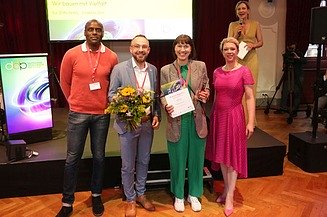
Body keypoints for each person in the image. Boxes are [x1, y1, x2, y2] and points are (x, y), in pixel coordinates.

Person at [56, 19, 118, 217]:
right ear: (84, 32)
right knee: (72, 158)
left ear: (102, 33)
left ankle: (96, 195)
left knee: (99, 157)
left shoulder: (111, 56)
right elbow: (64, 82)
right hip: (78, 114)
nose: (94, 32)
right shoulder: (71, 54)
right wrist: (74, 102)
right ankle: (67, 202)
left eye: (98, 30)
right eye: (90, 29)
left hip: (101, 114)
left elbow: (113, 85)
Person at [108, 34, 161, 217]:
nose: (140, 50)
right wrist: (126, 107)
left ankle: (141, 194)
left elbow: (155, 97)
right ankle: (130, 199)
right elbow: (111, 95)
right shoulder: (119, 69)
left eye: (144, 47)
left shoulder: (153, 70)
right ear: (131, 49)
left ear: (148, 50)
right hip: (127, 124)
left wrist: (156, 115)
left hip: (146, 125)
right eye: (137, 46)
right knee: (128, 164)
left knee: (144, 161)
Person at [205, 37, 255, 217]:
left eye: (232, 49)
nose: (229, 52)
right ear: (222, 51)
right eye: (226, 49)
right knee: (223, 157)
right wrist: (212, 116)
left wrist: (251, 122)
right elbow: (217, 96)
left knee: (231, 157)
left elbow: (249, 97)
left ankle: (230, 197)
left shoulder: (244, 71)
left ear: (237, 50)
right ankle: (226, 189)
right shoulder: (217, 71)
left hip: (235, 116)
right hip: (219, 116)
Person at [160, 34, 210, 213]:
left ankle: (194, 194)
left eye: (186, 46)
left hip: (197, 119)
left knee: (197, 159)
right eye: (179, 46)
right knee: (178, 160)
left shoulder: (200, 66)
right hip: (177, 121)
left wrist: (205, 95)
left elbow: (206, 87)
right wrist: (167, 106)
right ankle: (179, 195)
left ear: (191, 49)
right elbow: (163, 95)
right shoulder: (166, 70)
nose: (183, 50)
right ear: (174, 49)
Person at [275, 43, 307, 116]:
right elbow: (285, 64)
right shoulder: (287, 54)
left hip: (298, 75)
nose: (291, 48)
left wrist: (298, 58)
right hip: (288, 75)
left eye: (293, 46)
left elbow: (305, 61)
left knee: (297, 92)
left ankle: (294, 110)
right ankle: (282, 108)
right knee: (285, 92)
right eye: (290, 46)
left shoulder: (299, 53)